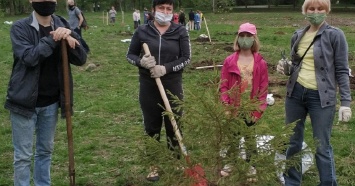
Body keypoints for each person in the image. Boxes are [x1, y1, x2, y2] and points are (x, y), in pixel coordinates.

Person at [5, 0, 87, 185]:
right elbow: (29, 57)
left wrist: (70, 36)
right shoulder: (20, 28)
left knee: (45, 151)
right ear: (31, 1)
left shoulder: (62, 24)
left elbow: (81, 58)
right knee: (23, 156)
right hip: (24, 102)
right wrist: (53, 39)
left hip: (50, 102)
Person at [276, 0, 352, 185]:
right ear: (305, 11)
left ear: (326, 11)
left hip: (322, 97)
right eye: (311, 8)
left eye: (320, 8)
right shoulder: (297, 35)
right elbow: (296, 63)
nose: (315, 11)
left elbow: (342, 70)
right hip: (295, 94)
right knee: (293, 142)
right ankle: (292, 182)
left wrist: (345, 102)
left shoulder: (336, 35)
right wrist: (286, 68)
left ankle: (327, 183)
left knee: (322, 145)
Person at [126, 0, 191, 182]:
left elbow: (186, 57)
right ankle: (153, 163)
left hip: (172, 84)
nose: (165, 11)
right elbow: (129, 55)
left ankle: (176, 159)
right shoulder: (142, 31)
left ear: (173, 11)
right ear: (154, 10)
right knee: (152, 125)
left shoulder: (180, 31)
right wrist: (141, 62)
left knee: (174, 123)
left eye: (168, 8)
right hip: (149, 85)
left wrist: (165, 68)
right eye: (161, 8)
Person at [219, 22, 268, 179]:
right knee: (233, 135)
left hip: (250, 107)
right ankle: (231, 161)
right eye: (242, 36)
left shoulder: (260, 62)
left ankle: (251, 165)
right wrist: (226, 105)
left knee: (249, 136)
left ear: (254, 39)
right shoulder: (230, 61)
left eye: (248, 36)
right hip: (234, 106)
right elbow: (224, 85)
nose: (245, 39)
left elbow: (263, 88)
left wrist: (258, 109)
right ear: (237, 38)